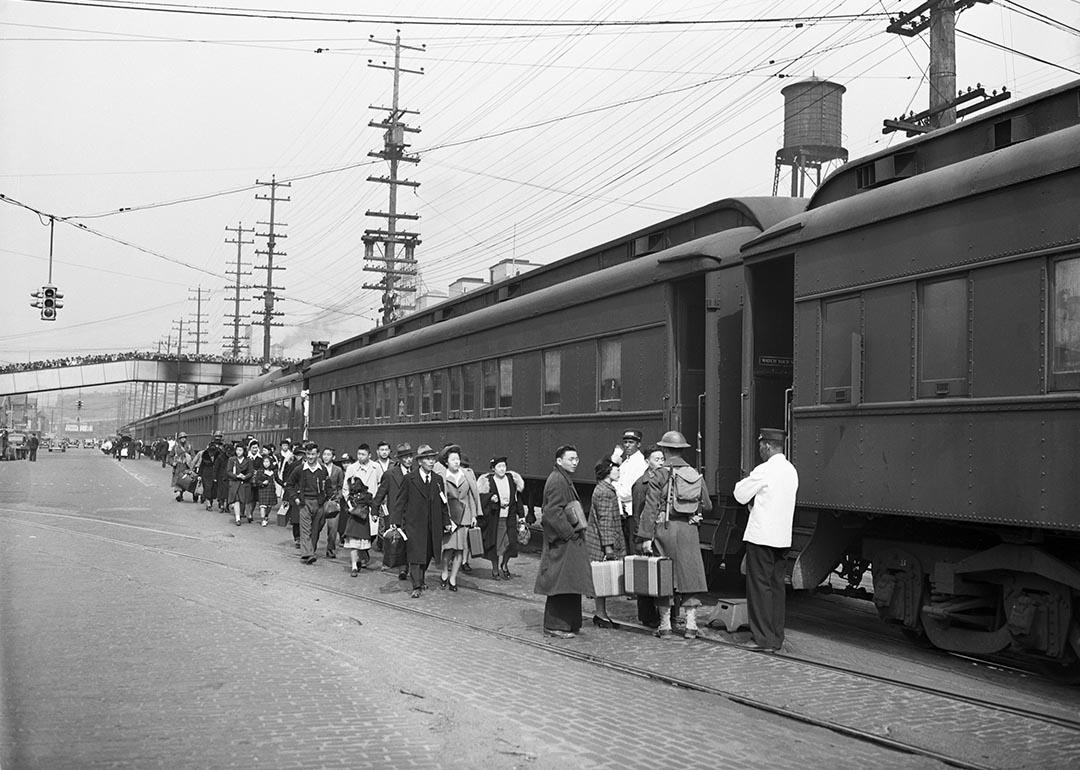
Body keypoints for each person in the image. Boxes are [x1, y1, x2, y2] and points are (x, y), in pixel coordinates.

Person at [639, 430, 712, 640]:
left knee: (664, 577)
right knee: (690, 576)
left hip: (665, 529)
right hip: (689, 531)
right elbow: (707, 504)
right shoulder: (694, 473)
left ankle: (665, 626)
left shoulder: (660, 474)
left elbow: (650, 507)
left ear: (665, 449)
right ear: (682, 450)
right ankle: (691, 626)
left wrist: (645, 536)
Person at [733, 428, 799, 652]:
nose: (760, 450)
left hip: (761, 537)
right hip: (782, 538)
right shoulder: (791, 470)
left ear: (767, 446)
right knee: (777, 588)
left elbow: (740, 494)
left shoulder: (765, 469)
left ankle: (762, 639)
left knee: (759, 588)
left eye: (761, 446)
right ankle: (776, 637)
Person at [534, 445, 592, 639]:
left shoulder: (561, 478)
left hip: (566, 541)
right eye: (571, 459)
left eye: (577, 459)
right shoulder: (558, 480)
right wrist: (568, 533)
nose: (575, 462)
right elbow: (552, 512)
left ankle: (569, 624)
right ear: (559, 461)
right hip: (563, 542)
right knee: (561, 583)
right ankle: (554, 625)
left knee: (569, 583)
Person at [393, 444, 450, 599]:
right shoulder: (409, 479)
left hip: (433, 524)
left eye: (433, 459)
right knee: (416, 555)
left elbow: (443, 503)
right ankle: (416, 585)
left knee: (427, 554)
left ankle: (422, 578)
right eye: (428, 459)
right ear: (420, 462)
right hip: (414, 524)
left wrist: (446, 521)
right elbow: (400, 502)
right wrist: (396, 522)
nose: (431, 462)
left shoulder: (438, 480)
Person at [586, 456, 626, 628]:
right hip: (602, 543)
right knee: (601, 579)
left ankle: (601, 614)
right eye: (616, 468)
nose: (619, 471)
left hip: (600, 540)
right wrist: (609, 548)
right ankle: (600, 614)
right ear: (607, 471)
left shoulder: (603, 489)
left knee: (600, 579)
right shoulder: (604, 492)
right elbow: (605, 521)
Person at [631, 445, 666, 627]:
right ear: (647, 461)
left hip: (659, 534)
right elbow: (638, 513)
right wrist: (641, 538)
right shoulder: (640, 484)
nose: (660, 462)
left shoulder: (665, 479)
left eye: (662, 459)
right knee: (645, 576)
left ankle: (662, 614)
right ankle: (647, 616)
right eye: (656, 459)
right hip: (645, 535)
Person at [438, 445, 481, 592]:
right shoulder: (442, 476)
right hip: (450, 517)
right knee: (448, 548)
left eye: (458, 459)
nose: (457, 462)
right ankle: (444, 572)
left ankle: (453, 578)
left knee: (460, 550)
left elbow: (470, 496)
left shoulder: (466, 475)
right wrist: (444, 518)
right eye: (453, 459)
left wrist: (474, 515)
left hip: (465, 517)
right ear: (447, 462)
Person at [476, 456, 525, 580]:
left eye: (504, 466)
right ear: (493, 469)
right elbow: (481, 499)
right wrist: (491, 497)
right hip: (495, 519)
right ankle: (495, 568)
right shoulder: (488, 482)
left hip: (509, 518)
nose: (502, 469)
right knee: (495, 546)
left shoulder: (511, 480)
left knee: (511, 544)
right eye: (499, 467)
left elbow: (517, 500)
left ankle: (505, 564)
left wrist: (522, 517)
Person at [373, 442, 413, 579]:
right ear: (400, 459)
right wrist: (374, 510)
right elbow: (380, 494)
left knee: (409, 541)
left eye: (410, 457)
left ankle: (405, 568)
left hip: (412, 514)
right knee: (397, 540)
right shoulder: (390, 474)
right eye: (406, 458)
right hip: (395, 512)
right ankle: (397, 564)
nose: (409, 460)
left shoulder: (415, 473)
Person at [284, 440, 328, 565]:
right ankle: (307, 553)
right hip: (304, 503)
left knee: (316, 529)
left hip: (319, 503)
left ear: (318, 454)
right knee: (305, 529)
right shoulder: (299, 469)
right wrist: (295, 498)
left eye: (313, 454)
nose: (310, 457)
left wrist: (327, 499)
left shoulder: (323, 470)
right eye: (308, 454)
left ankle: (310, 552)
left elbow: (328, 486)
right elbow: (289, 484)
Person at [341, 444, 383, 566]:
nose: (360, 456)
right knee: (357, 532)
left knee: (372, 533)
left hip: (371, 504)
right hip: (356, 507)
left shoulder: (376, 467)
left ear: (369, 455)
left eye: (363, 454)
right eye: (359, 454)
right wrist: (350, 505)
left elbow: (381, 483)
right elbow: (345, 488)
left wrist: (377, 499)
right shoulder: (352, 468)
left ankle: (363, 552)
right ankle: (359, 558)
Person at [612, 429, 647, 554]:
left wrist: (614, 493)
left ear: (638, 444)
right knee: (625, 545)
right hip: (625, 510)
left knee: (632, 545)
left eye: (631, 442)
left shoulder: (640, 463)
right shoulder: (626, 461)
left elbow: (632, 490)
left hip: (632, 511)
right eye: (625, 442)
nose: (627, 445)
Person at [315, 447, 344, 559]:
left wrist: (338, 498)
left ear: (333, 457)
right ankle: (312, 547)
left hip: (333, 502)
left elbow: (341, 486)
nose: (326, 456)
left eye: (328, 454)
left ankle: (330, 549)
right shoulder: (318, 468)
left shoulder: (338, 470)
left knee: (333, 529)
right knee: (317, 526)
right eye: (324, 454)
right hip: (320, 502)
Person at [343, 477, 375, 576]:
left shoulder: (367, 496)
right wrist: (349, 510)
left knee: (360, 546)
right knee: (353, 546)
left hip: (361, 523)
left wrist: (374, 514)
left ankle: (359, 561)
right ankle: (354, 567)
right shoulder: (351, 497)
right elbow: (345, 508)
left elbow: (373, 505)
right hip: (354, 522)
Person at [278, 439, 303, 548]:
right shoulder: (293, 466)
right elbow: (288, 478)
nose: (301, 457)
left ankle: (303, 537)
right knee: (296, 518)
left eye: (302, 454)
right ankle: (297, 538)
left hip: (305, 494)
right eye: (299, 454)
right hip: (295, 494)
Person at [225, 442, 253, 526]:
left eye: (240, 450)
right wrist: (236, 476)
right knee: (236, 500)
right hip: (235, 483)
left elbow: (251, 472)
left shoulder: (248, 460)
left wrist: (245, 476)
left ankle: (248, 514)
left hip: (245, 483)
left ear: (244, 451)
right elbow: (228, 471)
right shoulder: (232, 460)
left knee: (246, 501)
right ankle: (237, 518)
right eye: (237, 450)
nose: (238, 452)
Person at [198, 432, 224, 510]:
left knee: (214, 489)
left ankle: (213, 501)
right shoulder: (205, 454)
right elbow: (202, 464)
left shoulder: (221, 449)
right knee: (207, 488)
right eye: (216, 436)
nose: (218, 438)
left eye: (219, 436)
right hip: (206, 473)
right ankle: (208, 503)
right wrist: (199, 474)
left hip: (216, 473)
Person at [253, 454, 278, 526]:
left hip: (271, 490)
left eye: (267, 462)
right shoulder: (260, 471)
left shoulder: (273, 471)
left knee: (269, 506)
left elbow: (277, 479)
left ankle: (266, 516)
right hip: (262, 490)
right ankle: (263, 519)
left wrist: (284, 484)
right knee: (262, 506)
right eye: (264, 462)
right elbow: (256, 480)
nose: (265, 463)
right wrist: (262, 483)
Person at [169, 432, 194, 502]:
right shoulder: (175, 447)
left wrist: (190, 462)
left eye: (184, 438)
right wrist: (172, 463)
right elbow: (170, 456)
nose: (183, 439)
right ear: (179, 439)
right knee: (177, 481)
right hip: (178, 467)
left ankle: (181, 493)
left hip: (186, 467)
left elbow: (193, 456)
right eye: (181, 438)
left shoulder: (189, 446)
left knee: (185, 481)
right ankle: (178, 494)